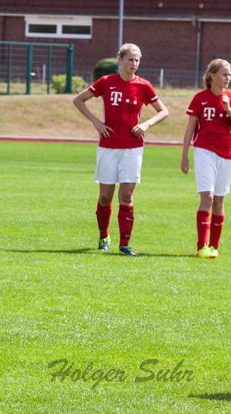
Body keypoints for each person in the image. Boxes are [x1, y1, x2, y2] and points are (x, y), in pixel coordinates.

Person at [72, 43, 169, 255]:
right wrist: (96, 123)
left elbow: (163, 111)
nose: (134, 64)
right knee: (106, 197)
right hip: (108, 146)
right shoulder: (106, 82)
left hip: (133, 147)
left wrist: (146, 124)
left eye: (137, 60)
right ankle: (103, 236)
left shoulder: (144, 86)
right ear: (120, 60)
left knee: (126, 195)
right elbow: (78, 100)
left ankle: (124, 244)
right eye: (130, 59)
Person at [180, 59, 231, 258]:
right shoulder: (200, 98)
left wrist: (228, 109)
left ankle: (214, 247)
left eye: (229, 75)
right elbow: (190, 128)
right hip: (204, 151)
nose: (228, 78)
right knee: (207, 197)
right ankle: (201, 246)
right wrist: (184, 156)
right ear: (212, 76)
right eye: (224, 74)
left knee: (219, 200)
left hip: (227, 153)